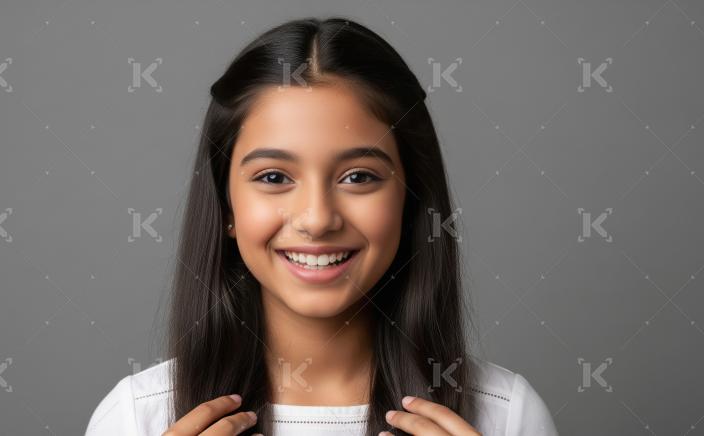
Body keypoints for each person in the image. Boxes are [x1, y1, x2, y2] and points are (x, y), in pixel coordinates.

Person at [85, 16, 559, 436]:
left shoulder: (507, 417)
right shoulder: (135, 420)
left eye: (358, 177)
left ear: (411, 201)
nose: (317, 219)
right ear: (226, 206)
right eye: (273, 177)